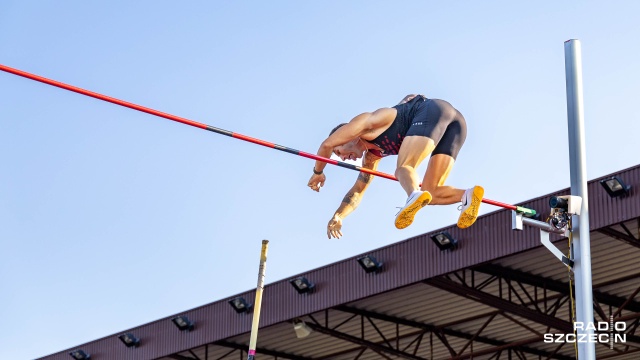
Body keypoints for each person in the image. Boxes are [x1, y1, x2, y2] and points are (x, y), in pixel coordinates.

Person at [307, 94, 483, 239]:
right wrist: (339, 215)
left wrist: (318, 172)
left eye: (339, 153)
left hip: (433, 111)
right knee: (432, 192)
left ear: (345, 136)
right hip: (455, 125)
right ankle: (467, 195)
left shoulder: (365, 124)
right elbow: (358, 191)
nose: (344, 158)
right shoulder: (372, 158)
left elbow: (326, 145)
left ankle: (414, 195)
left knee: (403, 168)